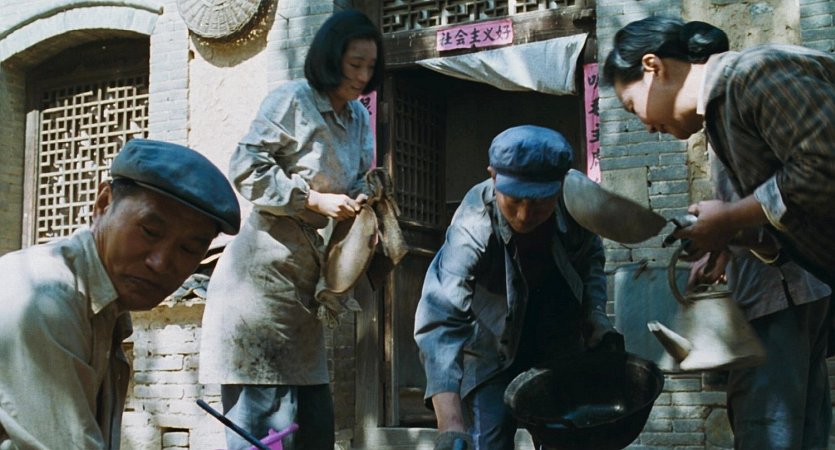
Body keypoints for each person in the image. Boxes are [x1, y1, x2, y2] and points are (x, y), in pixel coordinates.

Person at [198, 9, 384, 450]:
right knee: (265, 430)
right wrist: (312, 200)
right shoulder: (292, 101)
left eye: (370, 66)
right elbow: (245, 167)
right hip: (258, 285)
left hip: (307, 287)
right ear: (330, 58)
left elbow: (357, 178)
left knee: (313, 428)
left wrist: (364, 195)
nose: (362, 76)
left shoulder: (358, 119)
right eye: (354, 64)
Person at [0, 139, 240, 450]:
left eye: (189, 248)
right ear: (103, 204)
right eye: (149, 231)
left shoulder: (105, 305)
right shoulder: (45, 299)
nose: (160, 262)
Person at [413, 125, 623, 450]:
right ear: (493, 176)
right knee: (488, 442)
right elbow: (441, 319)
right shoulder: (473, 224)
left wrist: (595, 316)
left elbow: (591, 262)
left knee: (568, 439)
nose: (525, 215)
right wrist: (450, 425)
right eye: (514, 201)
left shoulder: (577, 205)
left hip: (558, 340)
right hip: (492, 350)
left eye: (539, 203)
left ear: (560, 187)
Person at [602, 16, 835, 287]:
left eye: (633, 106)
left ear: (653, 67)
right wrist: (730, 232)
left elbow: (823, 167)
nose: (648, 128)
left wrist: (731, 216)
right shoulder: (719, 118)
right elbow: (795, 220)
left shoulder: (753, 74)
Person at [687, 152, 831, 449]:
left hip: (775, 298)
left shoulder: (735, 121)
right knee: (807, 432)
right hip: (809, 289)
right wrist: (724, 247)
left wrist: (723, 231)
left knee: (766, 430)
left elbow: (782, 207)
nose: (650, 128)